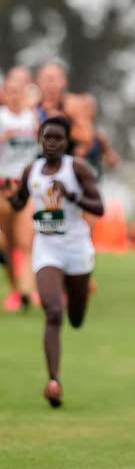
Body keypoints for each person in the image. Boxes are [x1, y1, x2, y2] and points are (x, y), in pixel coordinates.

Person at [1, 116, 104, 406]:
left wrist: (73, 196)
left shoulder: (77, 169)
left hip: (77, 248)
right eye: (47, 137)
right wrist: (12, 199)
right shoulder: (30, 170)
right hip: (47, 248)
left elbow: (99, 205)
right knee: (53, 311)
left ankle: (77, 307)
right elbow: (21, 202)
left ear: (66, 142)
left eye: (58, 138)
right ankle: (54, 381)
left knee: (76, 318)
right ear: (40, 139)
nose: (52, 143)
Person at [0, 67, 39, 311]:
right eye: (10, 91)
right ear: (4, 93)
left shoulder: (32, 118)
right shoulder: (1, 117)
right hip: (2, 188)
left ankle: (27, 292)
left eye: (19, 91)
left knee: (26, 241)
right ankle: (15, 288)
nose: (15, 95)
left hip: (24, 187)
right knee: (7, 243)